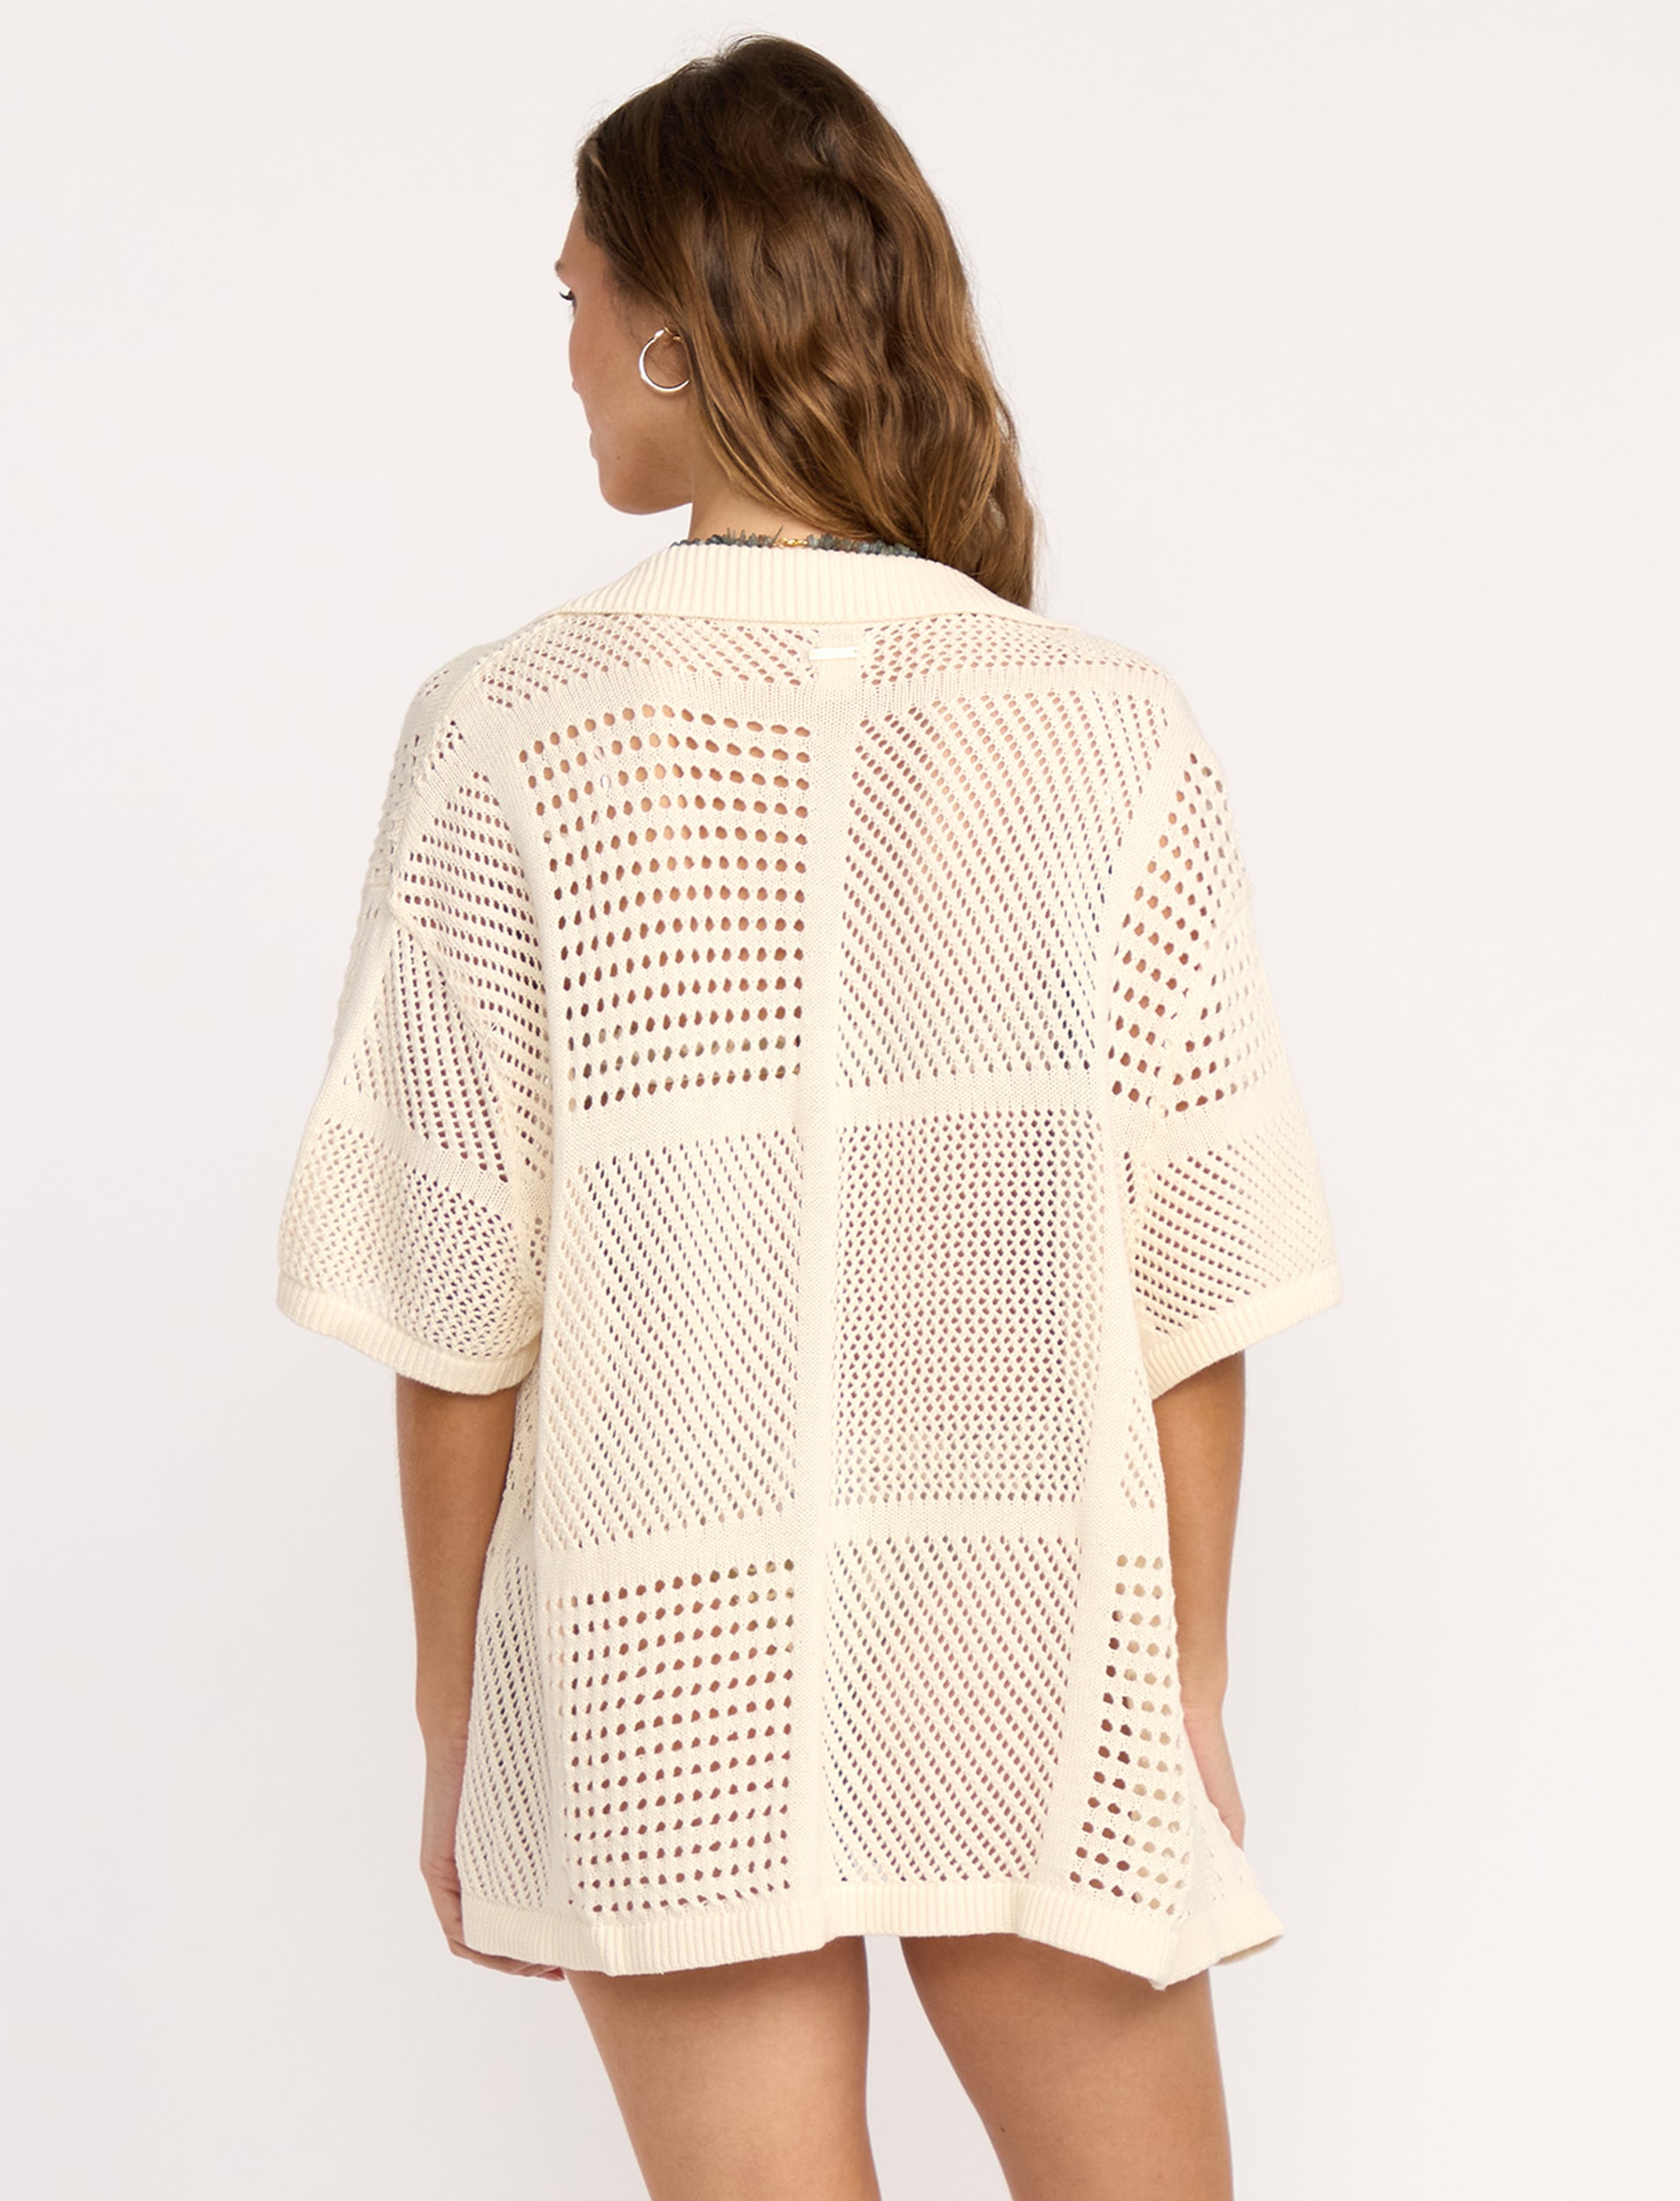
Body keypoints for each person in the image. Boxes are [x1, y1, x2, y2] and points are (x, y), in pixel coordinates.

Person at [274, 33, 1343, 2201]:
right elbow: (1193, 1279)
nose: (567, 350)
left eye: (576, 295)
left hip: (656, 1651)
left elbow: (458, 1306)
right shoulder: (1109, 728)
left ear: (679, 326)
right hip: (1033, 1634)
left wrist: (459, 1712)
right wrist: (1186, 1677)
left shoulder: (509, 730)